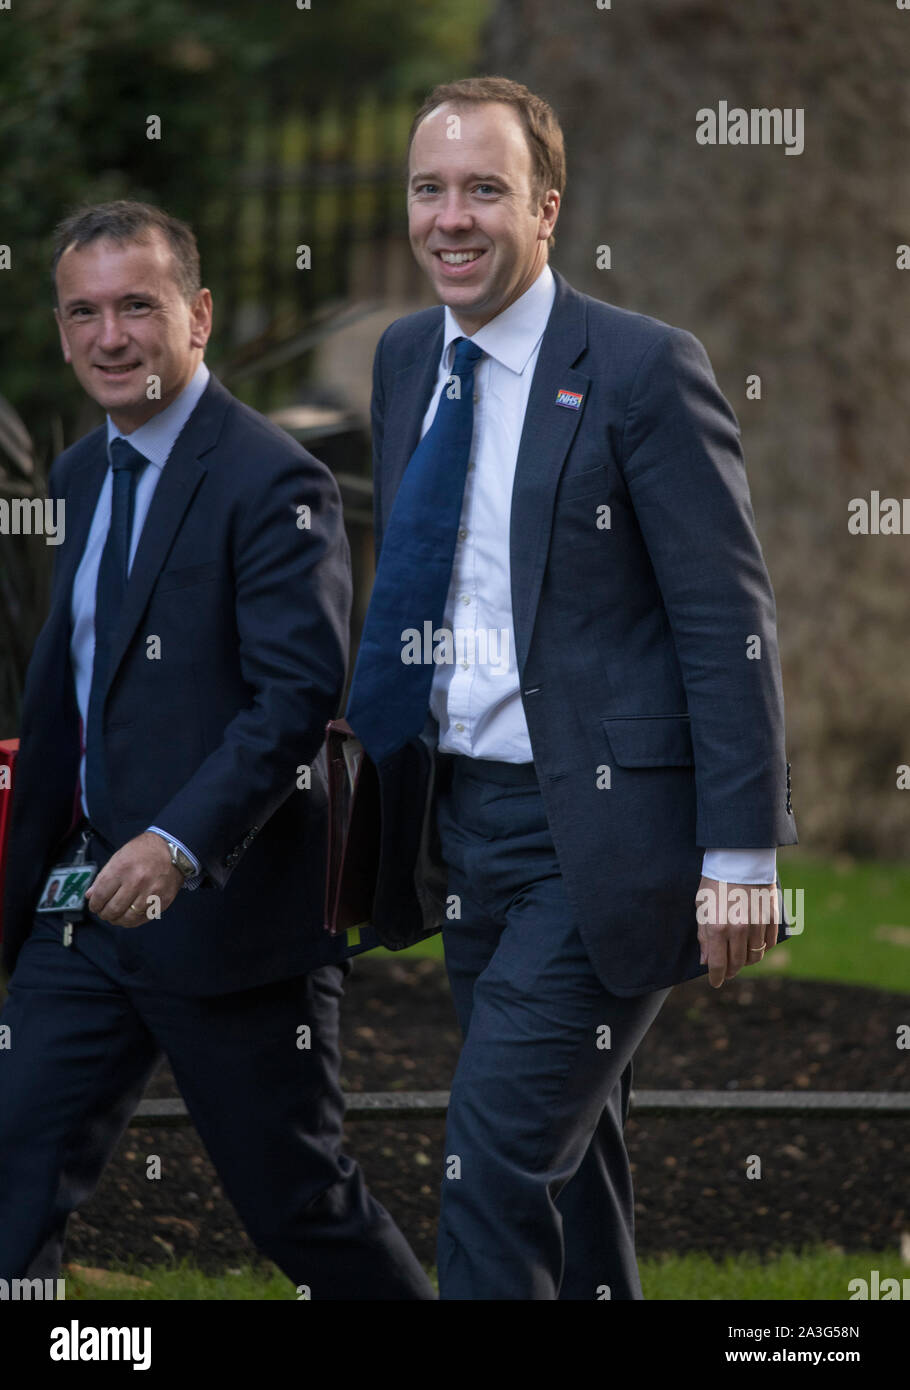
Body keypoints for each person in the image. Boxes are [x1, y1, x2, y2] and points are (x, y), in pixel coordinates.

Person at [345, 77, 797, 1300]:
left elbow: (725, 616)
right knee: (570, 1152)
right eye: (429, 189)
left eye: (484, 189)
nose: (451, 216)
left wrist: (741, 856)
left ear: (547, 208)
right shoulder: (402, 358)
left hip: (603, 833)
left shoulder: (643, 368)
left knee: (488, 1162)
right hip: (464, 823)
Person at [0, 200, 433, 1300]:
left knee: (301, 1204)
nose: (110, 336)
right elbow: (66, 703)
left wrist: (177, 842)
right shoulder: (80, 478)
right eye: (84, 311)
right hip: (83, 913)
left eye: (137, 306)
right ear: (60, 330)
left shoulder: (274, 482)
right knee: (9, 1173)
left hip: (229, 915)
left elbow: (294, 698)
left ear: (196, 315)